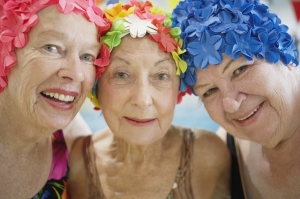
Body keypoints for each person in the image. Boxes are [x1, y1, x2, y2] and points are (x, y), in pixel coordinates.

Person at [67, 0, 231, 198]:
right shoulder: (77, 161)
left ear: (178, 88)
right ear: (95, 86)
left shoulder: (208, 157)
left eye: (161, 76)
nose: (143, 100)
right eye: (121, 75)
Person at [172, 0, 300, 198]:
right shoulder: (224, 151)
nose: (231, 104)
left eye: (239, 70)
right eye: (210, 91)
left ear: (282, 50)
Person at [0, 0, 111, 198]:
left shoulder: (75, 147)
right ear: (5, 51)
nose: (76, 74)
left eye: (87, 56)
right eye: (52, 48)